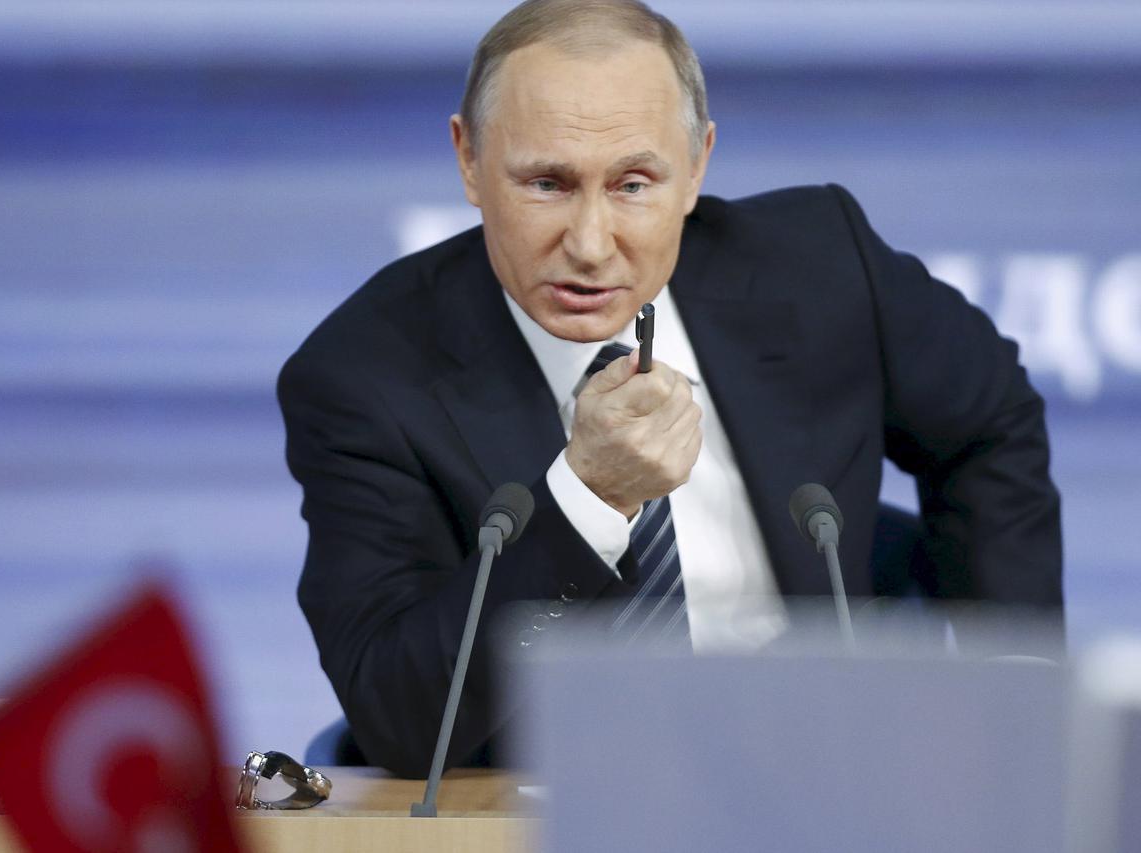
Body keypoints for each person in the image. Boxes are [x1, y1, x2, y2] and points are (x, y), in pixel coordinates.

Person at [277, 0, 1062, 777]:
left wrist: (1016, 691)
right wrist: (583, 500)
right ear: (469, 161)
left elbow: (989, 422)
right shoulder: (363, 375)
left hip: (833, 778)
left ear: (696, 168)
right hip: (560, 806)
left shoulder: (823, 263)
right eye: (547, 183)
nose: (589, 243)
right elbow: (402, 716)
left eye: (633, 183)